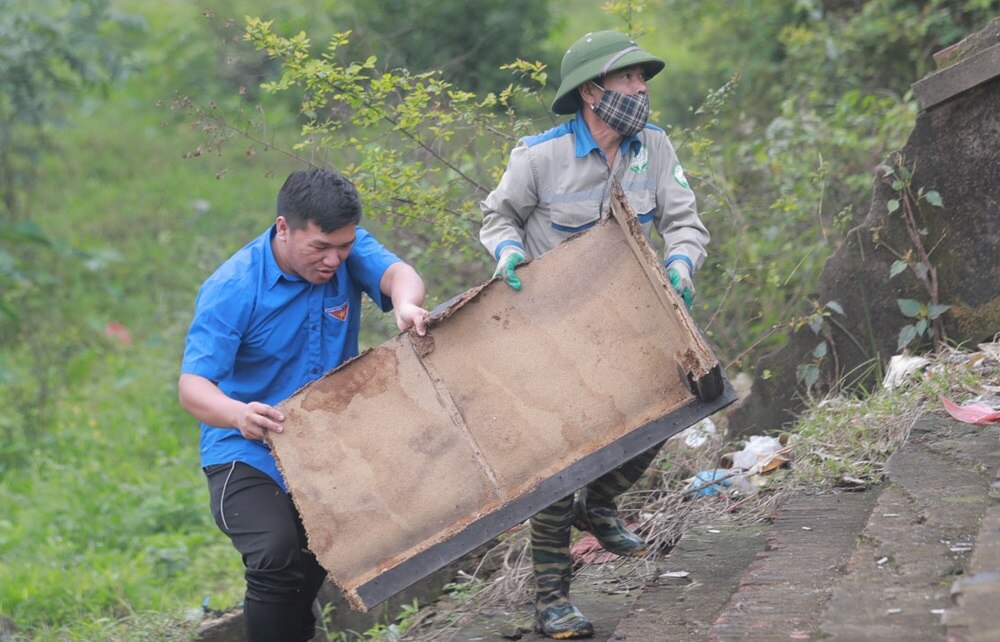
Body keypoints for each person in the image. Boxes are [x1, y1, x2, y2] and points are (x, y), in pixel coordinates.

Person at [479, 30, 709, 639]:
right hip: (552, 330)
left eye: (642, 79)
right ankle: (552, 599)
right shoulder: (539, 157)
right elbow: (498, 214)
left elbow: (685, 221)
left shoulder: (653, 149)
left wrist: (681, 263)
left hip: (631, 319)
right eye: (629, 79)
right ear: (591, 91)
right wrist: (506, 255)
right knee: (559, 467)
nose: (640, 90)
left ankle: (599, 503)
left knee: (687, 398)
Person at [178, 168, 429, 642]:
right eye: (320, 248)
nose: (335, 260)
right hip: (248, 446)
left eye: (344, 247)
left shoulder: (346, 250)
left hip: (326, 441)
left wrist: (406, 304)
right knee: (275, 552)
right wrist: (238, 414)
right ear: (283, 228)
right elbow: (193, 387)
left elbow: (400, 275)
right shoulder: (233, 286)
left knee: (324, 552)